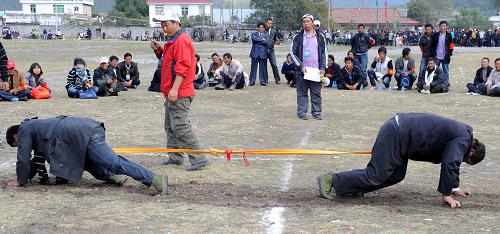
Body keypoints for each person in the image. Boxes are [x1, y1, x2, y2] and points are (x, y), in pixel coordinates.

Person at [317, 113, 486, 208]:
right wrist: (446, 195)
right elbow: (451, 163)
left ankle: (352, 187)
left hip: (403, 138)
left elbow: (452, 162)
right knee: (376, 175)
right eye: (466, 160)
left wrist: (455, 188)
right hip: (397, 134)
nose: (462, 160)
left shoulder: (462, 136)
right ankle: (331, 179)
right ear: (471, 151)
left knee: (396, 175)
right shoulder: (463, 139)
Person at [4, 116, 168, 195]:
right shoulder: (36, 129)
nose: (20, 146)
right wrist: (25, 177)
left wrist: (20, 180)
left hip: (87, 134)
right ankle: (114, 178)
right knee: (86, 163)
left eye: (17, 144)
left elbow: (23, 157)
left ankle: (154, 178)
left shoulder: (25, 128)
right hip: (82, 135)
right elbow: (33, 161)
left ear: (16, 137)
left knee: (114, 163)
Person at [151, 10, 211, 171]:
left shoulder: (181, 40)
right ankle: (175, 157)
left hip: (179, 92)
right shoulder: (173, 40)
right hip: (173, 91)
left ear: (176, 23)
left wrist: (175, 89)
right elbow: (171, 61)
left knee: (181, 126)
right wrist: (160, 51)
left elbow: (182, 67)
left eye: (166, 24)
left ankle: (199, 158)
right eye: (162, 24)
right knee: (170, 126)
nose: (164, 27)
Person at [290, 14, 328, 120]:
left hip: (316, 71)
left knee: (316, 93)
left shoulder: (320, 37)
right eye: (304, 22)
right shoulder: (297, 37)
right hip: (302, 71)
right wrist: (301, 66)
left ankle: (316, 112)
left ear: (312, 22)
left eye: (308, 21)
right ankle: (302, 112)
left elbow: (324, 53)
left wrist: (323, 68)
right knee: (302, 93)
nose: (306, 23)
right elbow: (293, 53)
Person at [430, 21, 454, 87]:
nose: (442, 27)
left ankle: (446, 84)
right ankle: (433, 83)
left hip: (445, 56)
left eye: (444, 26)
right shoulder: (435, 35)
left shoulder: (449, 35)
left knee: (446, 71)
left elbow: (451, 45)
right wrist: (432, 55)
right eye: (441, 26)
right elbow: (432, 46)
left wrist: (450, 53)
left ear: (446, 27)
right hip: (436, 56)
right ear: (439, 27)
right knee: (435, 71)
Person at [266, 18, 281, 84]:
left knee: (274, 65)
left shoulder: (274, 31)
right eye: (269, 23)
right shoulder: (263, 30)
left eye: (271, 23)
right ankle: (265, 79)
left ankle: (277, 79)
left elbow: (275, 40)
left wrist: (277, 42)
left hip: (271, 50)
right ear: (266, 23)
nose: (270, 25)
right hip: (264, 50)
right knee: (264, 66)